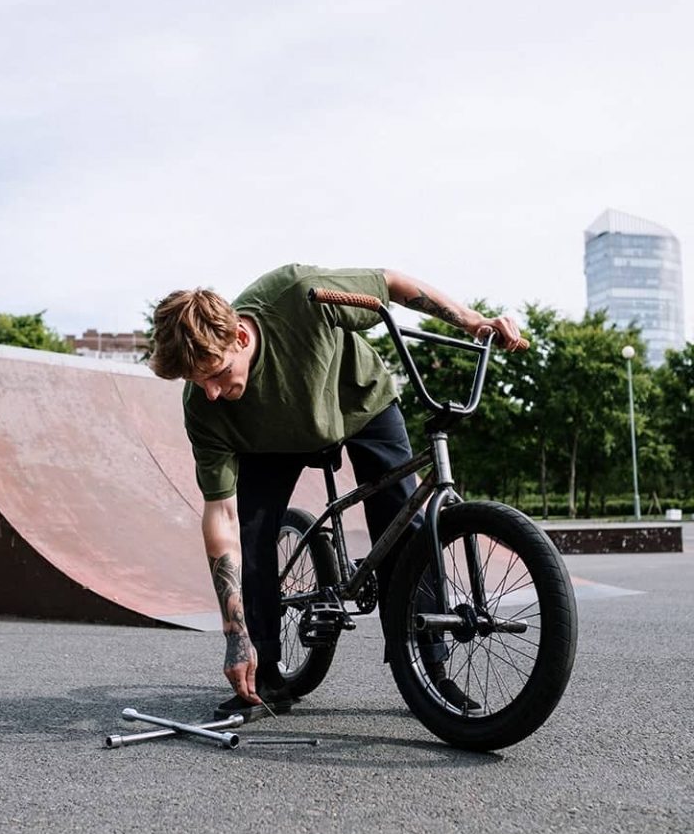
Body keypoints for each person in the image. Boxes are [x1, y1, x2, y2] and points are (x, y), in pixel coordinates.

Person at [149, 264, 524, 722]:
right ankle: (266, 676)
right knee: (252, 534)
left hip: (359, 403)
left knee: (404, 524)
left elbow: (390, 284)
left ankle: (432, 668)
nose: (210, 392)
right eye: (197, 382)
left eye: (218, 374)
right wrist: (235, 636)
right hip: (267, 442)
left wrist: (471, 321)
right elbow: (221, 518)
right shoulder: (204, 408)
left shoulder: (298, 294)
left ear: (241, 338)